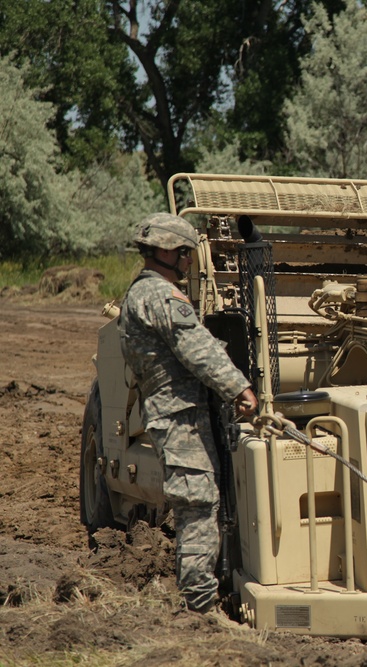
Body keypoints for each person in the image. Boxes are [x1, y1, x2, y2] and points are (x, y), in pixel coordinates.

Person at [118, 212, 258, 613]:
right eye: (184, 254)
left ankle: (202, 603)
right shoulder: (160, 296)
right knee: (198, 506)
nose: (187, 263)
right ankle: (200, 610)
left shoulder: (142, 294)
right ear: (166, 251)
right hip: (179, 418)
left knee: (201, 502)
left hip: (176, 414)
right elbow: (199, 350)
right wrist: (240, 389)